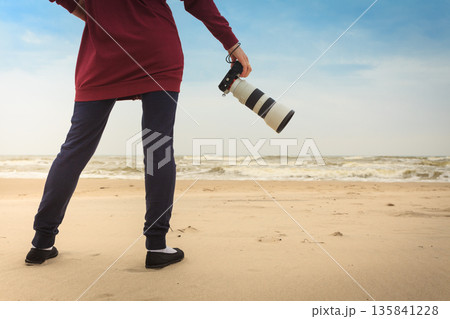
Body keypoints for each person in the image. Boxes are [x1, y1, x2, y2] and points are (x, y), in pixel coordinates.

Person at [25, 0, 251, 269]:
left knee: (74, 150)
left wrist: (100, 16)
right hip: (157, 50)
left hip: (103, 53)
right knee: (158, 149)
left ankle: (41, 242)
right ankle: (156, 246)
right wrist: (232, 44)